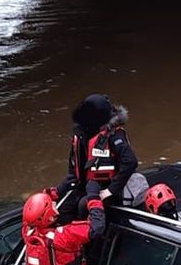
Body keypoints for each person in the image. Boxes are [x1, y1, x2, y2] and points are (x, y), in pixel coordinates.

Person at [52, 94, 139, 222]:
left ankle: (90, 237)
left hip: (106, 188)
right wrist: (60, 190)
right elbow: (74, 169)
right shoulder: (81, 134)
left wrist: (111, 190)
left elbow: (130, 162)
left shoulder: (115, 135)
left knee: (83, 206)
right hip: (85, 185)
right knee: (61, 210)